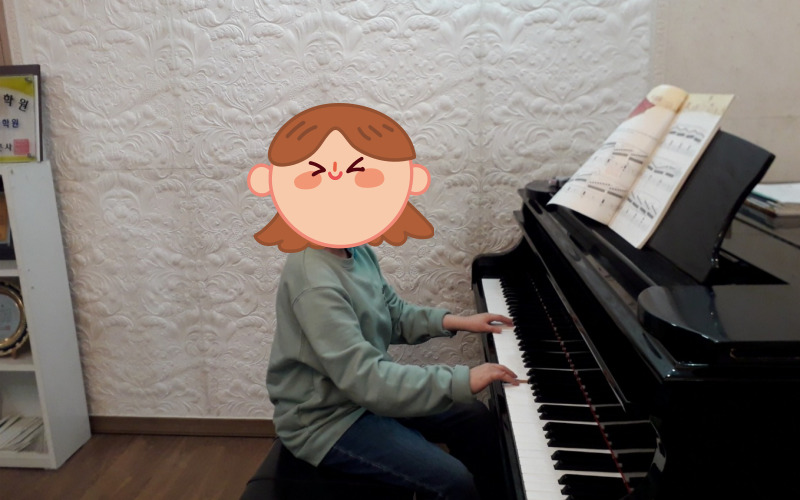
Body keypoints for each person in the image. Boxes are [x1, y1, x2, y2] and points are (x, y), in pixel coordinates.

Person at [250, 104, 519, 499]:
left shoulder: (355, 249)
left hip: (359, 396)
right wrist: (463, 378)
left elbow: (393, 314)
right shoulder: (313, 280)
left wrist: (458, 321)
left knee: (473, 417)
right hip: (325, 420)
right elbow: (367, 380)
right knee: (453, 480)